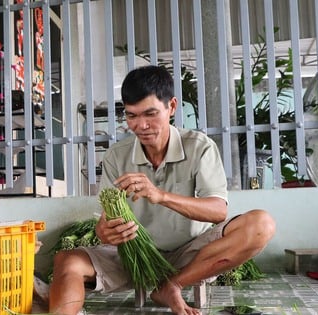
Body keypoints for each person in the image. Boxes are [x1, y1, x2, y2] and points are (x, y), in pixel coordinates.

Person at [49, 65, 276, 315]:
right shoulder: (116, 157)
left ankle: (170, 285)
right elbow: (105, 226)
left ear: (172, 107)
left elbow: (218, 211)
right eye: (132, 116)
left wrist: (161, 196)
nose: (141, 125)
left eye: (150, 114)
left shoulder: (200, 147)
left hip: (191, 254)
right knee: (67, 261)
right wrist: (106, 232)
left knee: (261, 224)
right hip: (133, 255)